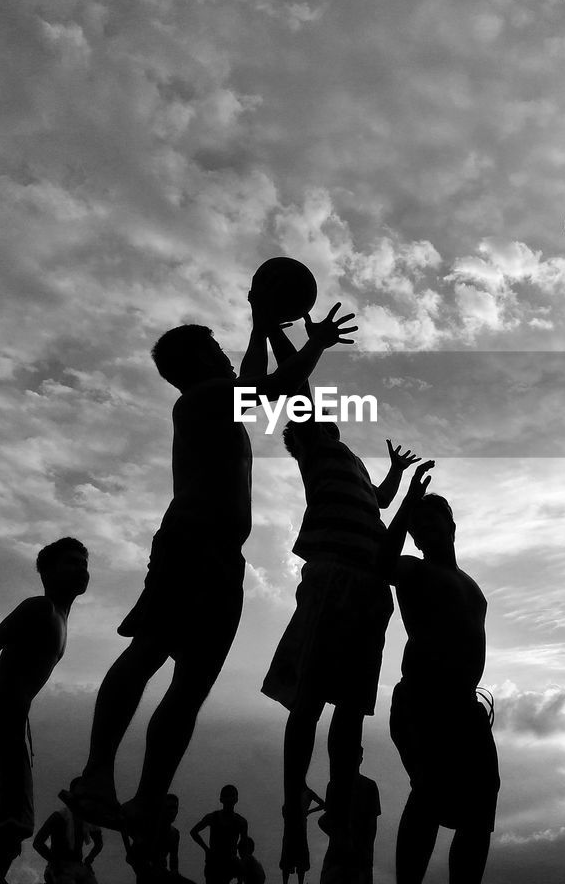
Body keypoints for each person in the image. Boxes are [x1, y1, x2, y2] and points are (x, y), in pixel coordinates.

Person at [62, 298, 356, 836]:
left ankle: (148, 801)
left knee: (191, 685)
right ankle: (96, 775)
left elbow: (253, 379)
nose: (226, 356)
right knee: (149, 652)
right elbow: (265, 387)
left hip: (224, 557)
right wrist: (311, 342)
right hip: (190, 543)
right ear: (197, 361)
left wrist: (261, 327)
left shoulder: (222, 400)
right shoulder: (200, 400)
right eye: (215, 348)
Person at [260, 321, 416, 879]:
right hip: (331, 580)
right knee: (309, 704)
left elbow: (376, 499)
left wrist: (395, 476)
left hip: (371, 589)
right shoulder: (312, 449)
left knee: (350, 709)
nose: (320, 414)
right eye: (311, 415)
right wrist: (292, 337)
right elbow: (294, 389)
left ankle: (342, 806)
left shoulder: (349, 459)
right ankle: (293, 819)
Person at [377, 461, 499, 884]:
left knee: (480, 809)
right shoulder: (413, 569)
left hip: (465, 705)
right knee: (429, 794)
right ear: (413, 534)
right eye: (417, 525)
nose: (425, 528)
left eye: (434, 519)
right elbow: (381, 562)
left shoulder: (471, 584)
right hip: (424, 701)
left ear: (451, 524)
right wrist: (407, 499)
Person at [0, 536, 91, 882]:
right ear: (48, 572)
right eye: (71, 562)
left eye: (84, 563)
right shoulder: (39, 608)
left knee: (1, 827)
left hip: (9, 727)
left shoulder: (60, 619)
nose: (81, 569)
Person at [318, 756, 379, 884]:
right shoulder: (369, 785)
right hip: (355, 855)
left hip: (341, 854)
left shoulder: (334, 785)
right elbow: (372, 826)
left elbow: (325, 820)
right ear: (361, 759)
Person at [123, 794, 197, 884]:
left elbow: (173, 861)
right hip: (147, 876)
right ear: (162, 809)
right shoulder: (150, 830)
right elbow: (130, 857)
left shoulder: (174, 834)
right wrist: (144, 869)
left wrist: (173, 874)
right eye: (169, 807)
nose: (172, 811)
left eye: (175, 808)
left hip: (162, 875)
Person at [190, 785, 248, 884]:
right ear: (221, 799)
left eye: (232, 796)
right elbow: (193, 832)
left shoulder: (240, 822)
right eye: (227, 796)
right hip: (215, 863)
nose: (229, 799)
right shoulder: (214, 817)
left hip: (228, 862)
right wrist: (206, 849)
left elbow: (244, 847)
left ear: (236, 799)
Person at [33, 805, 103, 883]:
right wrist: (55, 862)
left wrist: (88, 860)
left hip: (74, 866)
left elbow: (37, 842)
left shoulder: (86, 818)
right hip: (61, 867)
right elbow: (37, 843)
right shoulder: (59, 816)